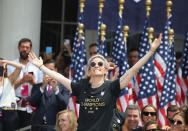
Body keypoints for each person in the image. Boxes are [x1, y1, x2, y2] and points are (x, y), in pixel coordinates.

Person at [28, 34, 162, 131]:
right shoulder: (81, 86)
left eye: (100, 63)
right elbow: (61, 78)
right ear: (89, 69)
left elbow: (133, 70)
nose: (96, 65)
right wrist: (41, 67)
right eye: (93, 63)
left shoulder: (112, 87)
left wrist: (151, 51)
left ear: (105, 70)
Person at [7, 38, 43, 129]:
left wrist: (32, 82)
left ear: (30, 49)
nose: (25, 49)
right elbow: (7, 87)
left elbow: (41, 87)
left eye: (27, 47)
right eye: (22, 47)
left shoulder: (36, 66)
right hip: (14, 106)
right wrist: (22, 81)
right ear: (19, 48)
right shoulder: (11, 65)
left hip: (30, 107)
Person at [30, 59, 70, 131]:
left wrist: (56, 90)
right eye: (46, 70)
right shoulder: (37, 86)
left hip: (54, 125)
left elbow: (64, 105)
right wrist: (42, 87)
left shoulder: (64, 87)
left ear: (56, 70)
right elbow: (32, 103)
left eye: (51, 70)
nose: (48, 73)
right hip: (37, 125)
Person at [0, 58, 22, 131]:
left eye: (2, 68)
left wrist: (5, 61)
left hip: (10, 112)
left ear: (5, 69)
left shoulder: (9, 80)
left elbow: (19, 67)